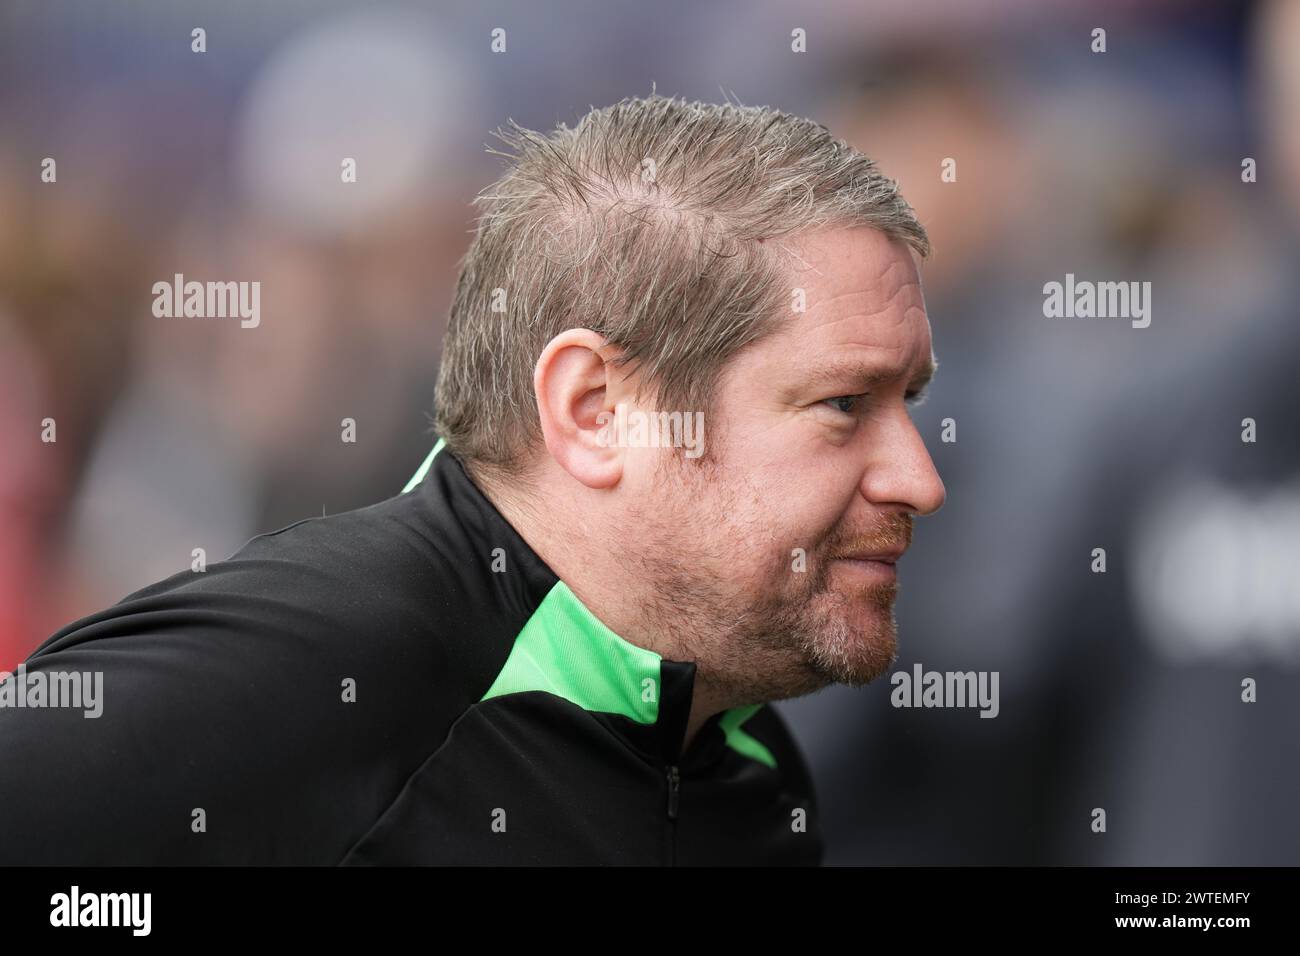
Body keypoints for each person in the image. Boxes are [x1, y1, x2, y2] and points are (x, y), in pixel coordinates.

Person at [0, 93, 944, 865]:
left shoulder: (743, 755)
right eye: (844, 404)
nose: (919, 478)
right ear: (595, 411)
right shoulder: (318, 671)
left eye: (910, 399)